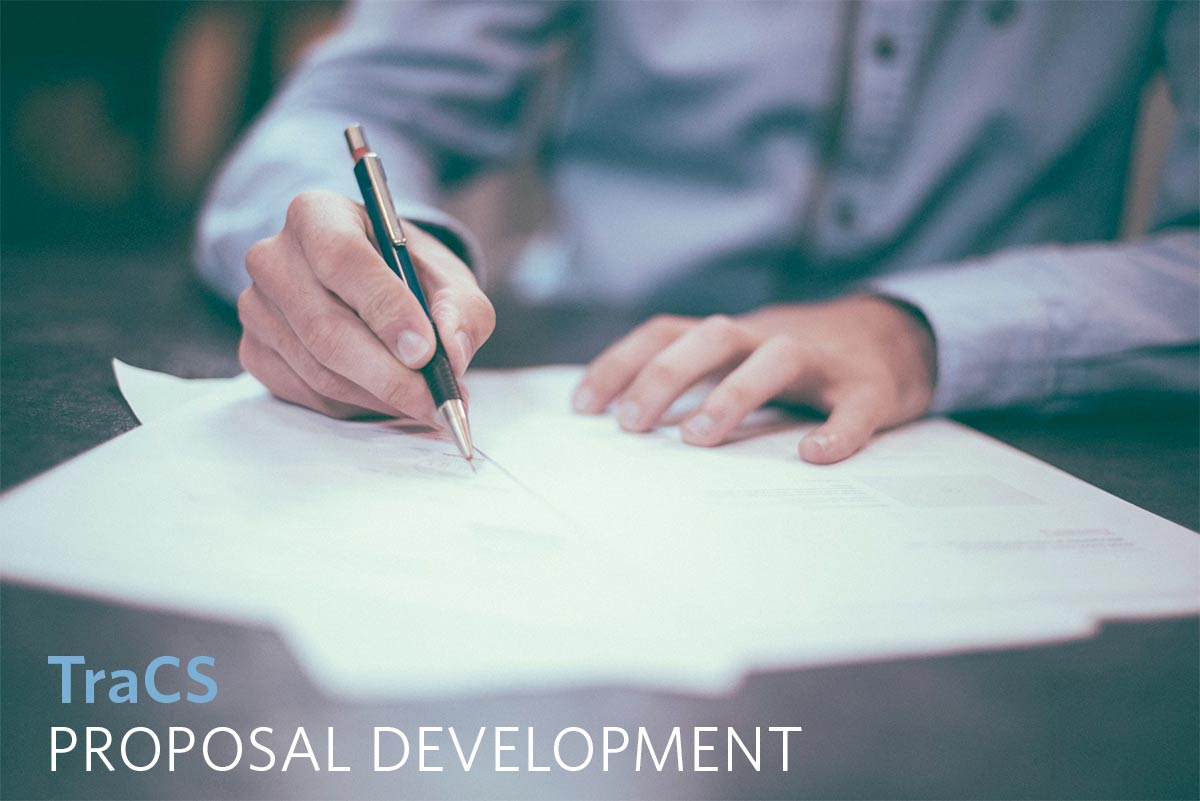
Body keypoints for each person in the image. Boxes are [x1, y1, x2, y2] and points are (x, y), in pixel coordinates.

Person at [195, 1, 1198, 464]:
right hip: (595, 391)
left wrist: (921, 328)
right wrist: (366, 254)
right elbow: (354, 103)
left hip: (1020, 428)